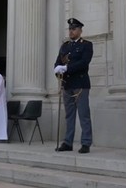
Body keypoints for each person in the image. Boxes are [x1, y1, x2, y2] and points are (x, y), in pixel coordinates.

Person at [54, 18, 93, 154]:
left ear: (80, 31)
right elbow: (58, 62)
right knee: (69, 115)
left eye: (74, 29)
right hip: (67, 84)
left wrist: (66, 68)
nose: (71, 31)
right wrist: (57, 70)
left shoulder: (86, 45)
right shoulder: (65, 46)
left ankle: (86, 142)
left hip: (80, 84)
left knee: (84, 114)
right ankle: (68, 142)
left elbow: (84, 63)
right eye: (70, 29)